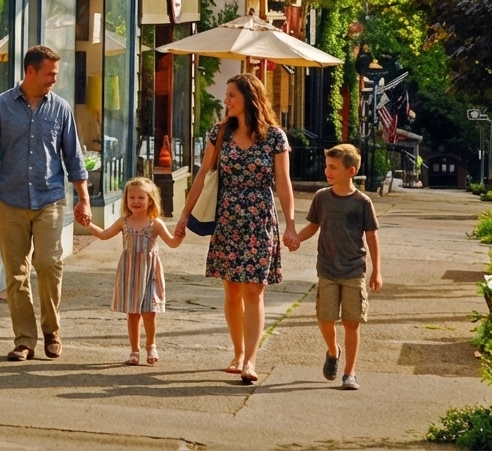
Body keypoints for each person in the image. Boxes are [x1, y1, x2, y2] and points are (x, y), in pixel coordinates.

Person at [174, 73, 299, 384]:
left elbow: (283, 184)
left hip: (260, 219)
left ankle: (252, 360)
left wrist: (291, 225)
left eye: (231, 95)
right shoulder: (220, 133)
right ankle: (238, 352)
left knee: (255, 290)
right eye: (227, 95)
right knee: (231, 290)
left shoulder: (275, 137)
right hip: (228, 218)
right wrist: (183, 216)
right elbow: (203, 175)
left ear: (248, 98)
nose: (226, 100)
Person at [0, 44, 91, 362]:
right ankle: (25, 339)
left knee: (49, 264)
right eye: (50, 74)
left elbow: (74, 157)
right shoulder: (0, 106)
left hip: (49, 199)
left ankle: (51, 330)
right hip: (10, 201)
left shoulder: (61, 109)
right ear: (30, 71)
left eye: (56, 73)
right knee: (16, 274)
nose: (54, 79)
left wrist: (83, 198)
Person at [288, 144, 382, 391]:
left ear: (350, 171)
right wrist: (297, 238)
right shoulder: (322, 197)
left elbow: (371, 236)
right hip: (327, 268)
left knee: (352, 322)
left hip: (353, 270)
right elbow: (313, 226)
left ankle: (350, 373)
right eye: (326, 166)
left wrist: (377, 270)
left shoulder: (362, 202)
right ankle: (333, 350)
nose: (327, 171)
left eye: (333, 167)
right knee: (325, 318)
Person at [80, 177, 181, 366]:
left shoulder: (155, 223)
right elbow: (103, 235)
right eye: (131, 197)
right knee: (133, 314)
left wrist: (181, 232)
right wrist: (87, 224)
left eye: (141, 197)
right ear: (126, 200)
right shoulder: (123, 222)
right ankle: (134, 350)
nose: (135, 201)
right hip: (129, 272)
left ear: (150, 200)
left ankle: (151, 345)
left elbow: (173, 243)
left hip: (150, 272)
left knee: (149, 312)